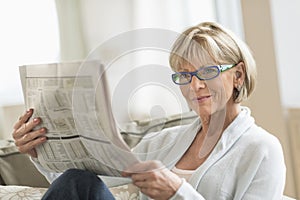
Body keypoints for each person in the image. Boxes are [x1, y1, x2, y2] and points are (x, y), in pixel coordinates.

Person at [12, 21, 286, 200]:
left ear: (238, 75)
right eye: (185, 74)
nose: (196, 85)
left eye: (208, 71)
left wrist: (177, 193)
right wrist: (40, 150)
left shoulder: (262, 149)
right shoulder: (162, 141)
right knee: (77, 181)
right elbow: (79, 186)